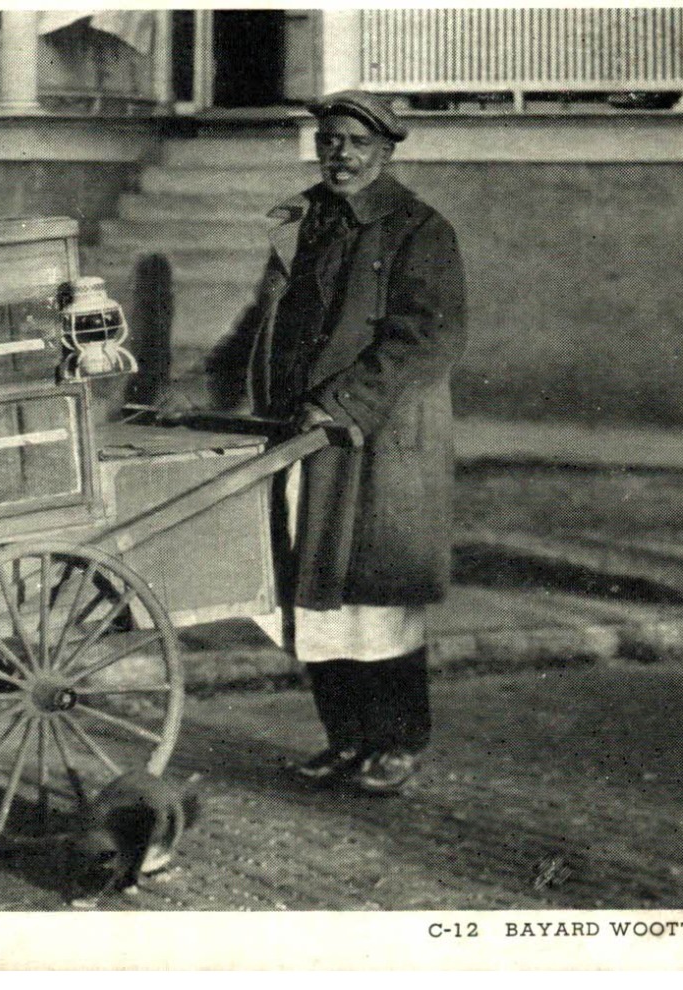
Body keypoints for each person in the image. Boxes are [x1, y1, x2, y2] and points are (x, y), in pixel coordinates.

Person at [208, 90, 467, 795]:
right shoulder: (303, 224)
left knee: (374, 600)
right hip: (300, 438)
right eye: (328, 141)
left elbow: (427, 339)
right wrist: (209, 391)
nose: (339, 155)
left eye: (354, 143)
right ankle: (346, 739)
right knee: (315, 595)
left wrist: (341, 402)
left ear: (384, 151)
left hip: (377, 445)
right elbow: (257, 322)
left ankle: (396, 743)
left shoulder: (418, 230)